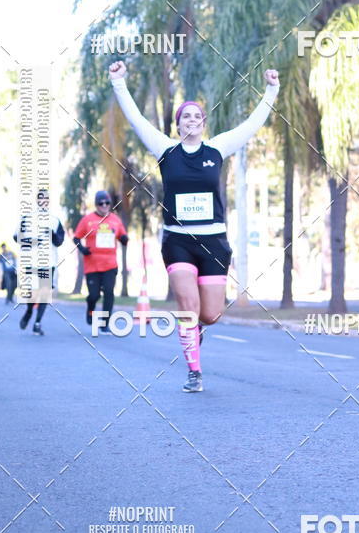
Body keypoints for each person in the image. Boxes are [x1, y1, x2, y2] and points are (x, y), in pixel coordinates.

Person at [109, 59, 280, 393]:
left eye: (197, 116)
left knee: (211, 314)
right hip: (178, 242)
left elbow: (251, 125)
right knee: (188, 306)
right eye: (185, 116)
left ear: (204, 123)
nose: (192, 120)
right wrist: (119, 83)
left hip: (214, 242)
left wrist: (271, 89)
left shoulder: (217, 149)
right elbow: (136, 118)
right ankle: (194, 371)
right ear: (177, 125)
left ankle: (197, 330)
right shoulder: (165, 150)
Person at [73, 190, 128, 333]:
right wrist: (83, 249)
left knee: (109, 292)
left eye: (107, 203)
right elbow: (76, 238)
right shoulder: (87, 220)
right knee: (94, 295)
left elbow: (122, 235)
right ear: (96, 204)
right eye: (101, 203)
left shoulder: (115, 219)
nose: (104, 205)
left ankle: (105, 322)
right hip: (92, 264)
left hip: (110, 264)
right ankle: (90, 308)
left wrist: (124, 239)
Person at [14, 189, 65, 335]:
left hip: (49, 263)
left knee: (44, 293)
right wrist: (30, 241)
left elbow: (60, 241)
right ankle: (29, 311)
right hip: (31, 262)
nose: (44, 201)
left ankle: (37, 323)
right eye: (41, 198)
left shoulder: (54, 220)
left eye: (46, 199)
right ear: (37, 200)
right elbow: (16, 237)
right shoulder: (26, 218)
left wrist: (52, 234)